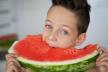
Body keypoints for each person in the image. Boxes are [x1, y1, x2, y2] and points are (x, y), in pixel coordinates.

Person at [5, 0, 108, 72]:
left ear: (79, 39)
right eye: (48, 26)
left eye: (64, 31)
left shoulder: (93, 69)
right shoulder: (25, 68)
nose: (51, 37)